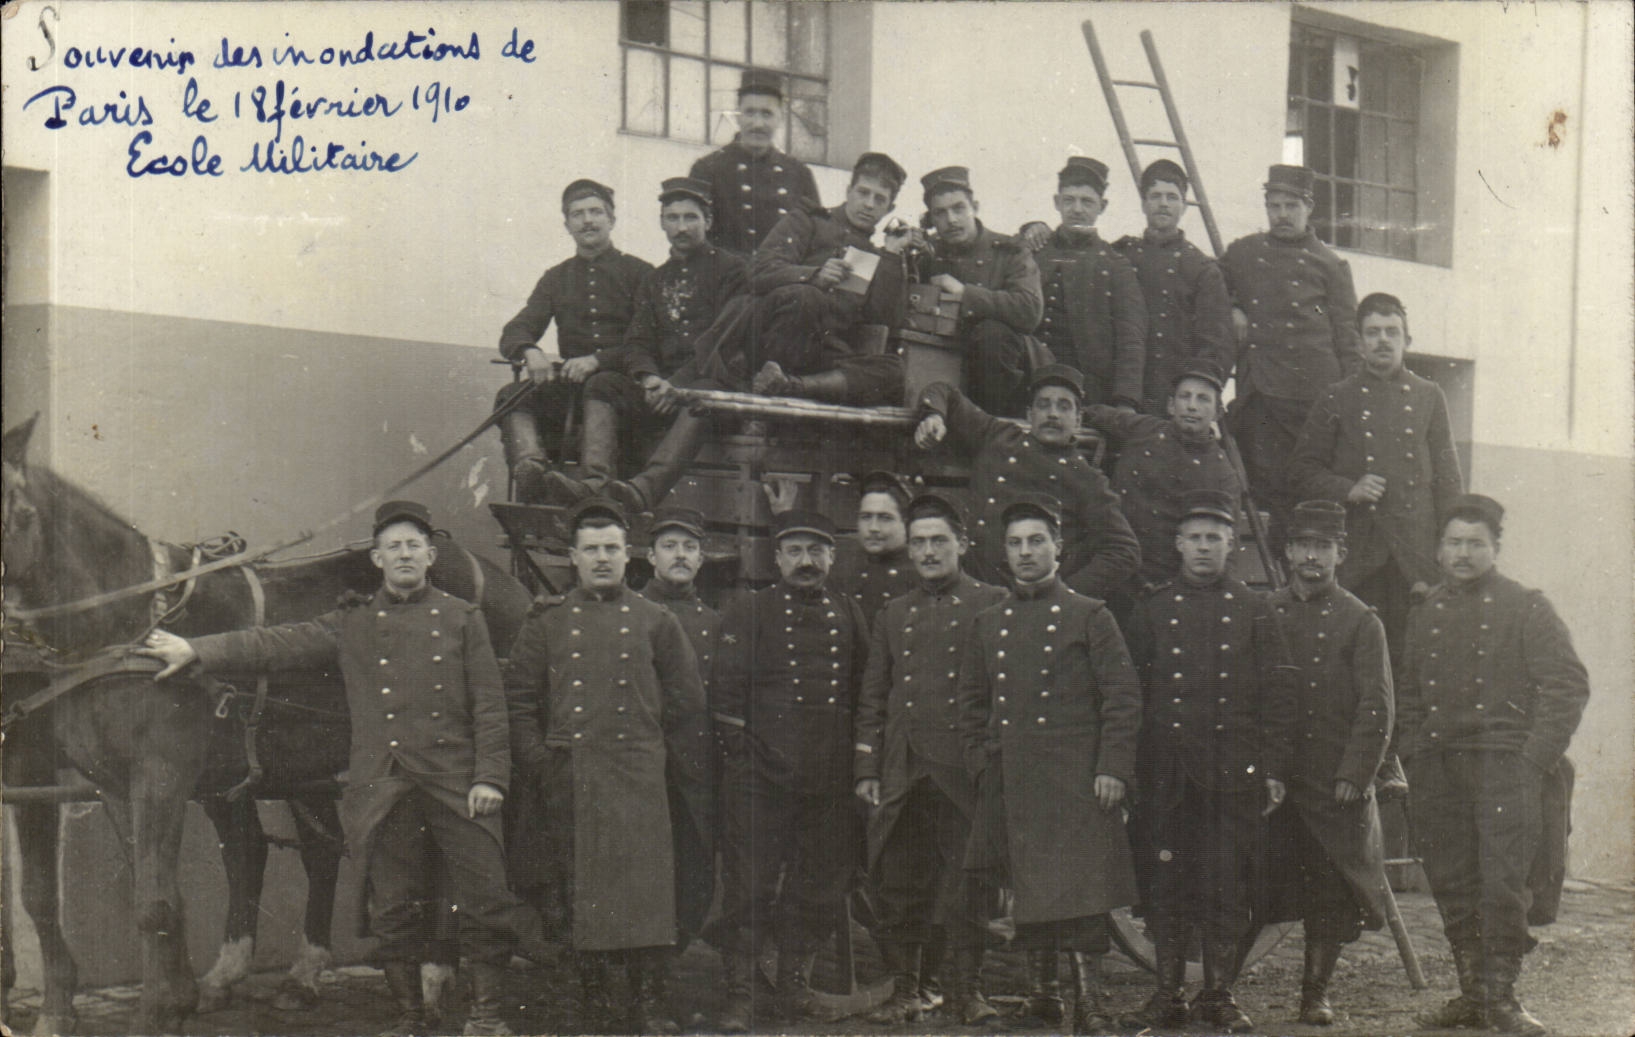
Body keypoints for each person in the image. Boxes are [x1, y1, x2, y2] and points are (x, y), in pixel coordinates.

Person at [140, 502, 519, 1037]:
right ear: (377, 559)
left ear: (431, 556)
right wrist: (195, 649)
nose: (405, 555)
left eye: (414, 546)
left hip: (456, 783)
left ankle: (488, 1018)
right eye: (394, 547)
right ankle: (411, 1018)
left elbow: (490, 705)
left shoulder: (464, 619)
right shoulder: (353, 621)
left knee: (483, 904)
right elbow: (272, 643)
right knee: (391, 910)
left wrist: (490, 777)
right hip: (386, 786)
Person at [502, 497, 711, 1035]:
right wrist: (543, 764)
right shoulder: (547, 621)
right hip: (572, 777)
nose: (601, 559)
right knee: (581, 897)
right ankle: (594, 1005)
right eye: (591, 549)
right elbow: (520, 702)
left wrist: (658, 761)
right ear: (573, 556)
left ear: (629, 555)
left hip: (641, 776)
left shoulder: (656, 621)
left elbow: (686, 702)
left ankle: (643, 1008)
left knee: (645, 896)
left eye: (611, 549)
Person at [1398, 495, 1589, 1037]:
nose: (1463, 553)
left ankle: (1500, 998)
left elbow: (1567, 685)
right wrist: (1413, 751)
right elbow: (1408, 693)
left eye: (1475, 544)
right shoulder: (1426, 612)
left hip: (1505, 768)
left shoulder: (1527, 607)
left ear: (1495, 549)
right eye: (1454, 543)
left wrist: (1532, 760)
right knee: (1454, 882)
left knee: (1501, 885)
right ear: (1439, 551)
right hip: (1438, 769)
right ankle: (1473, 996)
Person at [956, 492, 1142, 1035]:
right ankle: (1044, 996)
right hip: (1014, 780)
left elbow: (1122, 698)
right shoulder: (990, 623)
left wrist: (1113, 768)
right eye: (1015, 544)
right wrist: (982, 765)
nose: (1025, 552)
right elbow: (971, 705)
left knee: (1081, 894)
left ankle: (1091, 1003)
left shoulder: (1092, 616)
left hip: (1078, 781)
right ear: (1003, 553)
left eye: (1037, 541)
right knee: (1027, 887)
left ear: (1058, 549)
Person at [1124, 488, 1298, 1033]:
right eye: (1194, 538)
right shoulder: (1150, 610)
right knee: (1165, 886)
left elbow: (1279, 693)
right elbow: (1129, 697)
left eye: (1214, 539)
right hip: (1167, 776)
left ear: (1232, 545)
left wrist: (1272, 768)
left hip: (1231, 775)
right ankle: (1168, 994)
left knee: (1227, 886)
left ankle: (1218, 995)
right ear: (1178, 544)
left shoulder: (1256, 609)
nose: (1203, 548)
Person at [709, 509, 870, 1031]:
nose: (806, 561)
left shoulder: (849, 612)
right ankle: (740, 993)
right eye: (795, 551)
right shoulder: (749, 610)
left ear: (832, 557)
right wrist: (745, 758)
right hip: (760, 777)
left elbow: (864, 693)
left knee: (820, 886)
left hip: (828, 778)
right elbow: (725, 699)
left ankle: (794, 986)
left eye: (816, 551)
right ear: (777, 558)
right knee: (749, 886)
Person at [853, 492, 1010, 1026]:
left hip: (963, 776)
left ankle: (966, 992)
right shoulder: (894, 613)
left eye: (938, 540)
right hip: (904, 773)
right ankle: (908, 991)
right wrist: (868, 767)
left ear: (961, 544)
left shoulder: (993, 603)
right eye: (918, 542)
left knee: (966, 888)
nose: (927, 551)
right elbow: (875, 695)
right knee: (899, 887)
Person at [540, 176, 748, 512]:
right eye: (673, 218)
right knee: (604, 383)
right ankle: (594, 481)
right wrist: (648, 378)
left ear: (708, 221)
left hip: (711, 388)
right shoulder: (656, 279)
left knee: (705, 392)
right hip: (662, 390)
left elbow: (722, 343)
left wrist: (676, 386)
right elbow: (637, 341)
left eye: (690, 217)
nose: (681, 227)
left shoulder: (733, 271)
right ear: (662, 223)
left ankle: (644, 489)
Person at [1263, 501, 1396, 1025]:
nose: (1312, 556)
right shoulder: (1266, 611)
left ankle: (1314, 993)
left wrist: (1354, 774)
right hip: (1277, 778)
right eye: (1303, 545)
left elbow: (1378, 705)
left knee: (1328, 888)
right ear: (1289, 551)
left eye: (1324, 547)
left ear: (1340, 554)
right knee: (1255, 880)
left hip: (1332, 782)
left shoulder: (1361, 621)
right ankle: (1219, 990)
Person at [1288, 292, 1464, 657]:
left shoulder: (1430, 396)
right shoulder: (1336, 397)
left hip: (1413, 557)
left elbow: (1448, 481)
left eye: (1391, 332)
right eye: (1373, 332)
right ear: (1359, 342)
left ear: (1407, 341)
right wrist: (1348, 488)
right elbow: (1301, 472)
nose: (1383, 340)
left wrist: (1448, 547)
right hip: (1357, 555)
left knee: (1411, 658)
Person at [699, 152, 915, 406]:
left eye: (880, 199)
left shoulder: (876, 255)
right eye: (863, 192)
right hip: (770, 339)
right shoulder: (808, 221)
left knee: (894, 370)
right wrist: (813, 275)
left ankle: (790, 387)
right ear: (848, 191)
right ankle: (765, 385)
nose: (869, 204)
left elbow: (883, 319)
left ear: (889, 209)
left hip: (819, 352)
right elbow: (758, 271)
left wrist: (891, 253)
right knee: (807, 297)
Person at [1221, 164, 1360, 555]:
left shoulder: (1331, 265)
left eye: (1290, 205)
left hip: (1314, 399)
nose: (1281, 214)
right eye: (1274, 205)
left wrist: (1351, 403)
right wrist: (1232, 307)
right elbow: (1211, 282)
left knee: (1308, 494)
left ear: (1309, 207)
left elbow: (1347, 339)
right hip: (1263, 393)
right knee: (1265, 492)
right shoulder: (1243, 253)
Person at [914, 363, 1141, 600]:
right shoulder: (998, 437)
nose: (1052, 414)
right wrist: (933, 415)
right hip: (967, 587)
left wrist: (1061, 597)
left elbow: (1124, 550)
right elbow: (945, 392)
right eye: (1043, 405)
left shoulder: (1086, 478)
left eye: (1063, 407)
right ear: (1030, 415)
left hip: (1023, 600)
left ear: (1078, 419)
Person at [494, 179, 654, 503]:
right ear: (567, 225)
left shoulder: (640, 273)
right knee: (512, 395)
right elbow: (517, 328)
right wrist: (530, 350)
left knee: (602, 383)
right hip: (572, 390)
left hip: (624, 387)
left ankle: (594, 483)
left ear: (612, 220)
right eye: (577, 214)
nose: (588, 220)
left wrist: (598, 361)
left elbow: (650, 340)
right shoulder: (556, 277)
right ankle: (530, 471)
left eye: (596, 212)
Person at [1082, 364, 1243, 621]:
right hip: (1112, 567)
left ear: (1216, 412)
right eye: (1184, 397)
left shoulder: (1223, 475)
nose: (1191, 406)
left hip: (1163, 588)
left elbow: (1227, 551)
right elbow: (1096, 414)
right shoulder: (1144, 429)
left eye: (1203, 399)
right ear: (1171, 405)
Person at [637, 506, 720, 984]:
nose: (680, 556)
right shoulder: (631, 613)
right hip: (642, 771)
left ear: (702, 559)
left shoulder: (715, 621)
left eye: (689, 548)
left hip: (694, 771)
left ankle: (664, 973)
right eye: (670, 546)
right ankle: (646, 986)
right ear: (651, 556)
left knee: (693, 880)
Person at [1018, 156, 1147, 411]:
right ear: (1057, 202)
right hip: (1025, 382)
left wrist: (1125, 402)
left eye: (1087, 202)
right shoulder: (1034, 249)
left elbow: (1131, 338)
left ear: (1103, 206)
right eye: (1069, 200)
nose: (1077, 209)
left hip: (1084, 390)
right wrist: (1027, 229)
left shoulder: (1115, 265)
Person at [916, 165, 1044, 416]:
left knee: (992, 334)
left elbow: (1030, 309)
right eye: (940, 213)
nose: (951, 220)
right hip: (941, 372)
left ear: (975, 206)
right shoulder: (926, 254)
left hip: (1003, 383)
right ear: (930, 218)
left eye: (959, 208)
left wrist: (965, 294)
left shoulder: (1010, 251)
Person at [1112, 159, 1234, 416]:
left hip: (1171, 393)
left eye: (1172, 197)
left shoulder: (1202, 269)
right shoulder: (1120, 256)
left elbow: (1214, 343)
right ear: (1144, 204)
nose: (1163, 204)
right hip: (1121, 389)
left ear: (1184, 205)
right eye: (1155, 196)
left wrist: (1194, 397)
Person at [689, 68, 822, 258]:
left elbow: (815, 238)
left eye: (767, 114)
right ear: (737, 115)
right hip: (725, 280)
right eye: (750, 112)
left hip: (780, 280)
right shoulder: (707, 169)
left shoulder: (799, 174)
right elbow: (694, 238)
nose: (758, 124)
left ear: (780, 118)